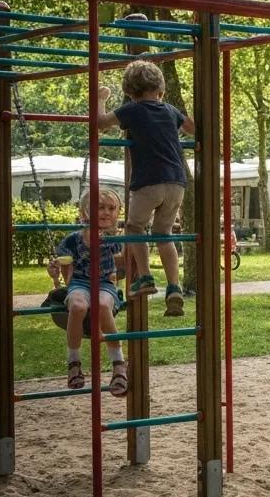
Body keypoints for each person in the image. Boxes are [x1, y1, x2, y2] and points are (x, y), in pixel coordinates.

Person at [97, 60, 195, 317]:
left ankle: (146, 277)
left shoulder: (132, 110)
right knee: (164, 233)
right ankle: (174, 287)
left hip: (147, 182)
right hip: (176, 182)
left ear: (130, 91)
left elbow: (100, 123)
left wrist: (101, 98)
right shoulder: (171, 110)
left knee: (135, 228)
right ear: (160, 88)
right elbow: (193, 128)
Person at [51, 188, 127, 397]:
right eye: (100, 207)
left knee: (102, 305)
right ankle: (73, 361)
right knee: (77, 305)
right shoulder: (73, 240)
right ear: (85, 211)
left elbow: (123, 269)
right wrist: (54, 271)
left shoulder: (116, 241)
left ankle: (119, 363)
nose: (106, 212)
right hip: (79, 284)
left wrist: (120, 268)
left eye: (112, 208)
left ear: (117, 213)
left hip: (105, 285)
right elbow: (61, 270)